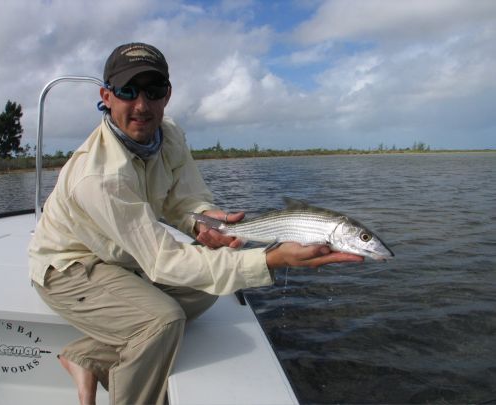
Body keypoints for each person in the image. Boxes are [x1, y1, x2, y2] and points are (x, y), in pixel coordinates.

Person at [28, 42, 363, 405]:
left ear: (167, 96)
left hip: (124, 260)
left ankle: (87, 357)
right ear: (106, 96)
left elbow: (183, 200)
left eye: (153, 91)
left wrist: (203, 222)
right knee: (161, 321)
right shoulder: (99, 177)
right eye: (128, 91)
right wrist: (272, 259)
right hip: (71, 267)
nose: (142, 105)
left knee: (208, 288)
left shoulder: (169, 134)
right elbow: (163, 260)